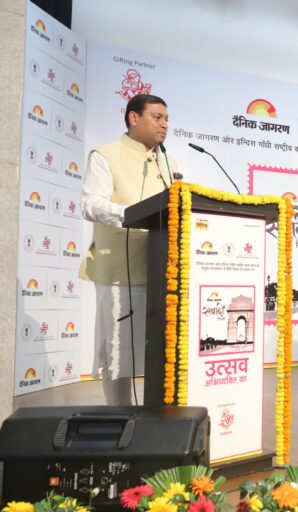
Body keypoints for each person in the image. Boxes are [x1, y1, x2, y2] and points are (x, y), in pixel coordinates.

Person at [79, 94, 178, 405]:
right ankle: (120, 419)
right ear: (134, 118)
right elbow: (90, 204)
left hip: (162, 270)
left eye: (166, 118)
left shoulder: (167, 162)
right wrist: (128, 214)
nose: (164, 124)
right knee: (119, 354)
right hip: (119, 271)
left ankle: (157, 421)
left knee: (163, 350)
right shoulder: (105, 155)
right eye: (157, 117)